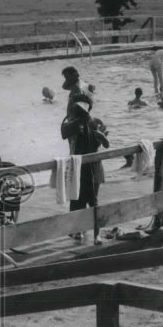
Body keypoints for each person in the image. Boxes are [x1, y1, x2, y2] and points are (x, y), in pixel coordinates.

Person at [60, 96, 109, 244]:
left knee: (88, 201)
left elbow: (105, 143)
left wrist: (100, 135)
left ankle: (90, 233)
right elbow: (105, 143)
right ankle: (82, 231)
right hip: (84, 169)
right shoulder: (76, 125)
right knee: (81, 201)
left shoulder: (88, 125)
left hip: (90, 169)